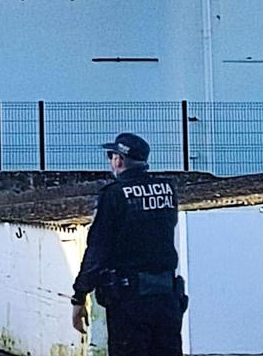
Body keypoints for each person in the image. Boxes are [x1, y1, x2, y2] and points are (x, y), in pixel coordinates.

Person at [70, 132, 187, 356]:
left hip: (129, 301)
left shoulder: (114, 195)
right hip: (166, 297)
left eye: (111, 156)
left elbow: (97, 250)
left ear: (119, 160)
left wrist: (79, 295)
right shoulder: (167, 189)